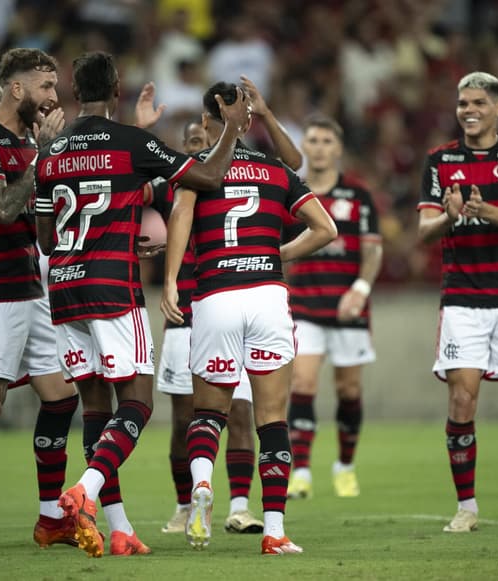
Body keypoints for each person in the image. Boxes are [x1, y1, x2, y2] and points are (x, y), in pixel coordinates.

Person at [35, 51, 250, 559]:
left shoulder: (52, 151)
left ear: (73, 88)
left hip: (64, 289)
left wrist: (120, 229)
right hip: (113, 290)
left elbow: (47, 239)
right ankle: (83, 490)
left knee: (95, 409)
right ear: (117, 88)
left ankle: (120, 527)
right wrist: (232, 130)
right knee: (137, 403)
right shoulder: (132, 142)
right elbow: (209, 177)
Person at [160, 81, 337, 555]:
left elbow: (180, 217)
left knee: (208, 413)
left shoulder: (198, 169)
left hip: (215, 295)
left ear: (205, 123)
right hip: (266, 297)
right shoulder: (274, 169)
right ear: (248, 118)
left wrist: (173, 279)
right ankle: (275, 532)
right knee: (273, 418)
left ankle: (202, 488)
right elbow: (326, 228)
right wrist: (277, 254)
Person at [0, 47, 79, 555]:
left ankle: (51, 519)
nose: (54, 96)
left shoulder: (28, 139)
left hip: (31, 287)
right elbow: (4, 207)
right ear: (21, 90)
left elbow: (43, 212)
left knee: (61, 397)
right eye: (46, 87)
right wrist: (45, 156)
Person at [417, 71, 498, 533]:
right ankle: (467, 507)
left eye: (477, 103)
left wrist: (481, 209)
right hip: (463, 299)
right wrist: (450, 217)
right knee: (462, 403)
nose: (468, 110)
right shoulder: (439, 159)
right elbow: (425, 229)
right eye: (462, 104)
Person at [284, 115, 383, 500]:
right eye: (314, 140)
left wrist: (359, 289)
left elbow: (373, 250)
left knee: (349, 390)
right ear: (304, 147)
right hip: (305, 306)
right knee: (303, 383)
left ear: (338, 148)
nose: (320, 146)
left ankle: (344, 466)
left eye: (328, 140)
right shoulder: (293, 193)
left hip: (348, 308)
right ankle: (302, 472)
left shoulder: (358, 196)